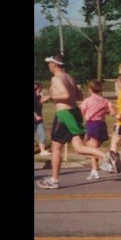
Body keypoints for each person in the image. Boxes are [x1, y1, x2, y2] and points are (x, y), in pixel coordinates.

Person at [38, 55, 108, 190]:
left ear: (54, 64)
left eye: (50, 63)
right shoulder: (69, 77)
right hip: (75, 112)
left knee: (56, 148)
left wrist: (50, 97)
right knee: (78, 147)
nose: (48, 65)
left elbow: (66, 95)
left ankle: (54, 180)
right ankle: (106, 156)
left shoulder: (56, 78)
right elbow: (79, 96)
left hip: (64, 114)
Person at [79, 79, 116, 180]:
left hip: (92, 124)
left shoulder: (87, 101)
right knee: (94, 150)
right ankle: (94, 170)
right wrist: (104, 111)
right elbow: (112, 112)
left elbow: (81, 112)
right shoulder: (105, 101)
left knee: (92, 150)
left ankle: (104, 163)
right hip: (102, 124)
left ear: (90, 89)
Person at [34, 82, 50, 156]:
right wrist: (36, 116)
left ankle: (42, 151)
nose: (42, 88)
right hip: (35, 119)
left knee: (42, 135)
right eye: (41, 87)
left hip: (39, 120)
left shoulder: (39, 97)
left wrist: (53, 93)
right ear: (38, 88)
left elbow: (43, 99)